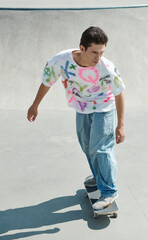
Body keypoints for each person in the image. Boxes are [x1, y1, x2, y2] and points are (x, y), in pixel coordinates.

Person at [27, 26, 125, 210]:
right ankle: (99, 176)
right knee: (87, 146)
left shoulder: (107, 68)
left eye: (102, 52)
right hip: (82, 107)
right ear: (82, 48)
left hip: (104, 106)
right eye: (94, 52)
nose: (98, 57)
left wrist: (120, 124)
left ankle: (109, 192)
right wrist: (35, 105)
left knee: (101, 148)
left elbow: (119, 94)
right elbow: (47, 82)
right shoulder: (61, 60)